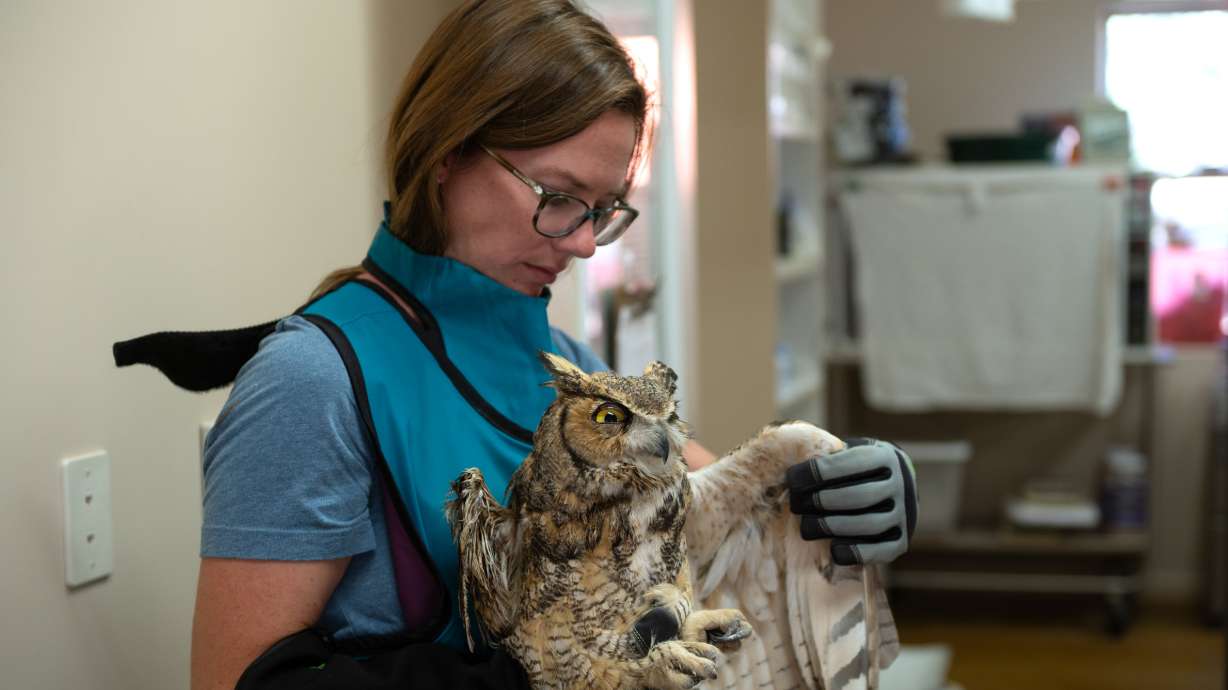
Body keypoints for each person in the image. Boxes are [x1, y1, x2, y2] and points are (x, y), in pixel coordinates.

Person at [184, 1, 918, 688]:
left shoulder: (566, 365)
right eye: (558, 198)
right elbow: (236, 678)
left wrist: (841, 484)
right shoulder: (312, 380)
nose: (586, 244)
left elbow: (714, 512)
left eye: (603, 211)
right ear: (447, 154)